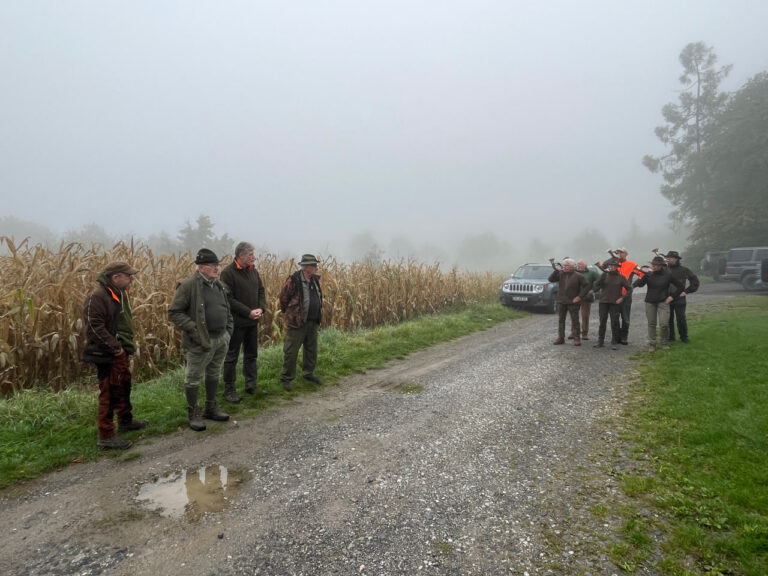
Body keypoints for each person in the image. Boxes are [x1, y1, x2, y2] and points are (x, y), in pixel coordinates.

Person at [82, 261, 148, 450]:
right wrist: (116, 348)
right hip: (107, 353)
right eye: (129, 276)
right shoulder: (97, 296)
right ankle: (106, 435)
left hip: (120, 351)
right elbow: (94, 327)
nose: (132, 279)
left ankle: (126, 421)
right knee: (110, 392)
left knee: (124, 386)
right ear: (115, 277)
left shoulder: (118, 293)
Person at [169, 248, 232, 431]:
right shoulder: (188, 286)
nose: (216, 268)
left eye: (217, 265)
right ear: (201, 267)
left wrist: (228, 330)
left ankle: (210, 407)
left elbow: (226, 308)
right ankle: (193, 413)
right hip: (200, 340)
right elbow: (175, 312)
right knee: (193, 377)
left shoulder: (218, 285)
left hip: (221, 338)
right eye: (212, 265)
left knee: (214, 373)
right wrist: (194, 329)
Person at [219, 242, 267, 403]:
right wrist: (248, 312)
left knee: (251, 355)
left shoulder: (253, 271)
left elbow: (261, 290)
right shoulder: (228, 273)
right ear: (241, 255)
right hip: (236, 323)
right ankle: (229, 390)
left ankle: (251, 385)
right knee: (231, 357)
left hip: (253, 322)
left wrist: (261, 308)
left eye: (253, 254)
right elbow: (228, 298)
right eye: (250, 255)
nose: (253, 257)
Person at [279, 254, 324, 390]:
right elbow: (283, 298)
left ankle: (308, 374)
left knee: (311, 350)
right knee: (291, 351)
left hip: (313, 321)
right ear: (306, 267)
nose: (316, 267)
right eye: (314, 265)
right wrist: (291, 314)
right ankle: (286, 378)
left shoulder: (314, 280)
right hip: (297, 322)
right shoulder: (294, 280)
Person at [632, 255, 684, 351]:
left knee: (664, 324)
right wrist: (646, 275)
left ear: (661, 266)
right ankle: (652, 344)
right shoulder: (649, 274)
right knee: (651, 324)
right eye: (653, 264)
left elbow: (681, 286)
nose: (654, 266)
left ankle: (664, 343)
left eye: (656, 265)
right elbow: (640, 284)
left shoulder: (668, 275)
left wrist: (672, 297)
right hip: (650, 302)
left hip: (663, 302)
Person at [548, 258, 590, 346]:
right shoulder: (561, 274)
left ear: (572, 266)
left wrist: (579, 297)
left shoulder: (578, 275)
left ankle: (576, 338)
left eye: (567, 265)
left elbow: (587, 286)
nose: (564, 267)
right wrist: (556, 271)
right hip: (561, 301)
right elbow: (550, 279)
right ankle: (561, 338)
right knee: (561, 320)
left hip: (573, 302)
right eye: (564, 265)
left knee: (575, 321)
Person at [592, 258, 632, 349]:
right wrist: (603, 274)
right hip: (603, 302)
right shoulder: (604, 275)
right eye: (610, 266)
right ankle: (600, 341)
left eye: (614, 266)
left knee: (615, 322)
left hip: (615, 303)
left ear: (617, 267)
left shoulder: (621, 277)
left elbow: (629, 289)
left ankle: (614, 342)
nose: (612, 267)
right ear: (608, 266)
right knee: (602, 322)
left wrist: (622, 298)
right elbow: (596, 284)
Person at [665, 250, 699, 343]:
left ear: (676, 259)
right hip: (667, 297)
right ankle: (671, 337)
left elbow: (695, 281)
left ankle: (684, 337)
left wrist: (686, 291)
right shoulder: (664, 269)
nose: (668, 259)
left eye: (670, 258)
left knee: (681, 318)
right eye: (667, 258)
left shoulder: (684, 270)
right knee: (668, 318)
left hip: (679, 298)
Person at [613, 247, 644, 345]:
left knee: (625, 318)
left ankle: (624, 337)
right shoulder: (613, 264)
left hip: (626, 295)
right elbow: (604, 268)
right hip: (613, 295)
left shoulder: (632, 264)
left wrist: (633, 285)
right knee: (614, 318)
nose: (619, 254)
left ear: (626, 254)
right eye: (617, 252)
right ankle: (616, 337)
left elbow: (642, 274)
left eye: (621, 252)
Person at [575, 260, 600, 340]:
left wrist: (594, 289)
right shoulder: (574, 273)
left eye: (581, 264)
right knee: (574, 316)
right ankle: (574, 332)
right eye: (578, 264)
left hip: (586, 297)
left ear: (585, 265)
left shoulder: (591, 273)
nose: (579, 266)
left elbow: (600, 280)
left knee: (585, 316)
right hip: (575, 297)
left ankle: (584, 333)